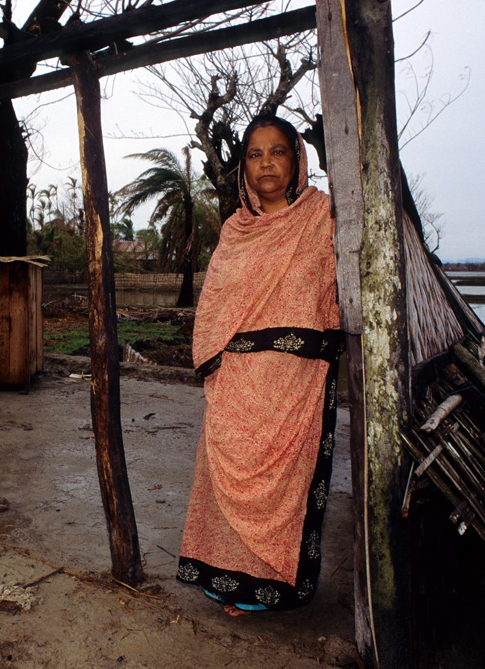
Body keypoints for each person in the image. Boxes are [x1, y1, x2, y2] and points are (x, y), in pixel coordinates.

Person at [176, 113, 342, 615]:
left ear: (298, 159)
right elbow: (214, 306)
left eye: (278, 151)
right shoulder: (235, 230)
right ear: (243, 168)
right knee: (226, 483)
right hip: (238, 382)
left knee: (283, 493)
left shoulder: (326, 216)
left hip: (297, 383)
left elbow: (340, 290)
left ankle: (271, 588)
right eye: (254, 154)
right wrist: (216, 361)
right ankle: (226, 580)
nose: (266, 163)